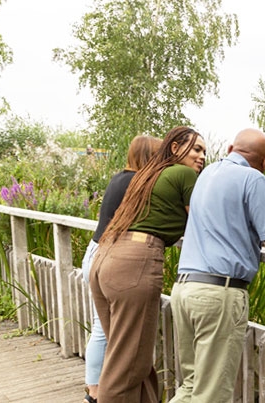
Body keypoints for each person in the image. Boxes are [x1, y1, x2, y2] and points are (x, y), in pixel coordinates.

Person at [170, 128, 265, 403]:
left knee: (190, 387)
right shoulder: (253, 179)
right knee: (211, 395)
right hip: (219, 294)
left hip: (184, 288)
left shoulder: (205, 175)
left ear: (230, 149)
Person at [89, 126, 206, 403]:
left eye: (204, 151)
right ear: (175, 148)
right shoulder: (184, 173)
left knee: (132, 361)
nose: (202, 157)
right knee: (127, 367)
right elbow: (205, 222)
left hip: (105, 257)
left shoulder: (147, 174)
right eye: (197, 149)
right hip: (134, 262)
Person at [81, 135, 162, 403]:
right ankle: (95, 390)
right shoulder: (137, 181)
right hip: (109, 253)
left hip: (98, 251)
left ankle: (95, 389)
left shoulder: (120, 177)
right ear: (150, 156)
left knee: (102, 328)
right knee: (104, 331)